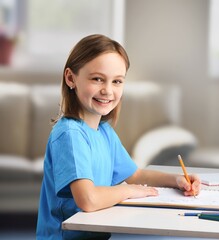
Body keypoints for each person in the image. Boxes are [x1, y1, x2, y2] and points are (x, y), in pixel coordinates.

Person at [36, 34, 201, 240]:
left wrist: (177, 181)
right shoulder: (70, 135)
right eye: (97, 79)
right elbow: (88, 199)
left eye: (117, 81)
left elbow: (136, 175)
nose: (107, 90)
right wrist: (128, 191)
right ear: (71, 78)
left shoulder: (104, 132)